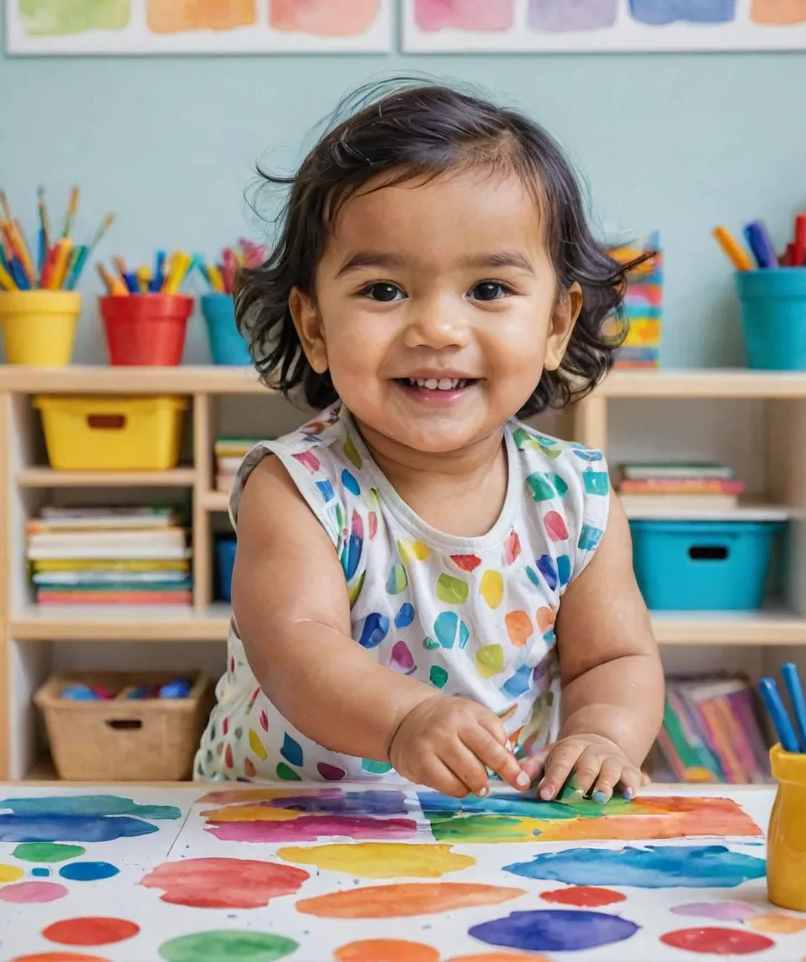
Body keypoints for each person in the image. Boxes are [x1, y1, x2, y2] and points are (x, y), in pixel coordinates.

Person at [195, 80, 663, 803]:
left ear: (556, 325)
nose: (438, 330)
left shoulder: (576, 499)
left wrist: (602, 736)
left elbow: (615, 658)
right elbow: (294, 645)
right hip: (276, 824)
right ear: (314, 326)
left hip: (482, 828)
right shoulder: (295, 488)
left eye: (487, 290)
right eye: (383, 290)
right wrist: (404, 717)